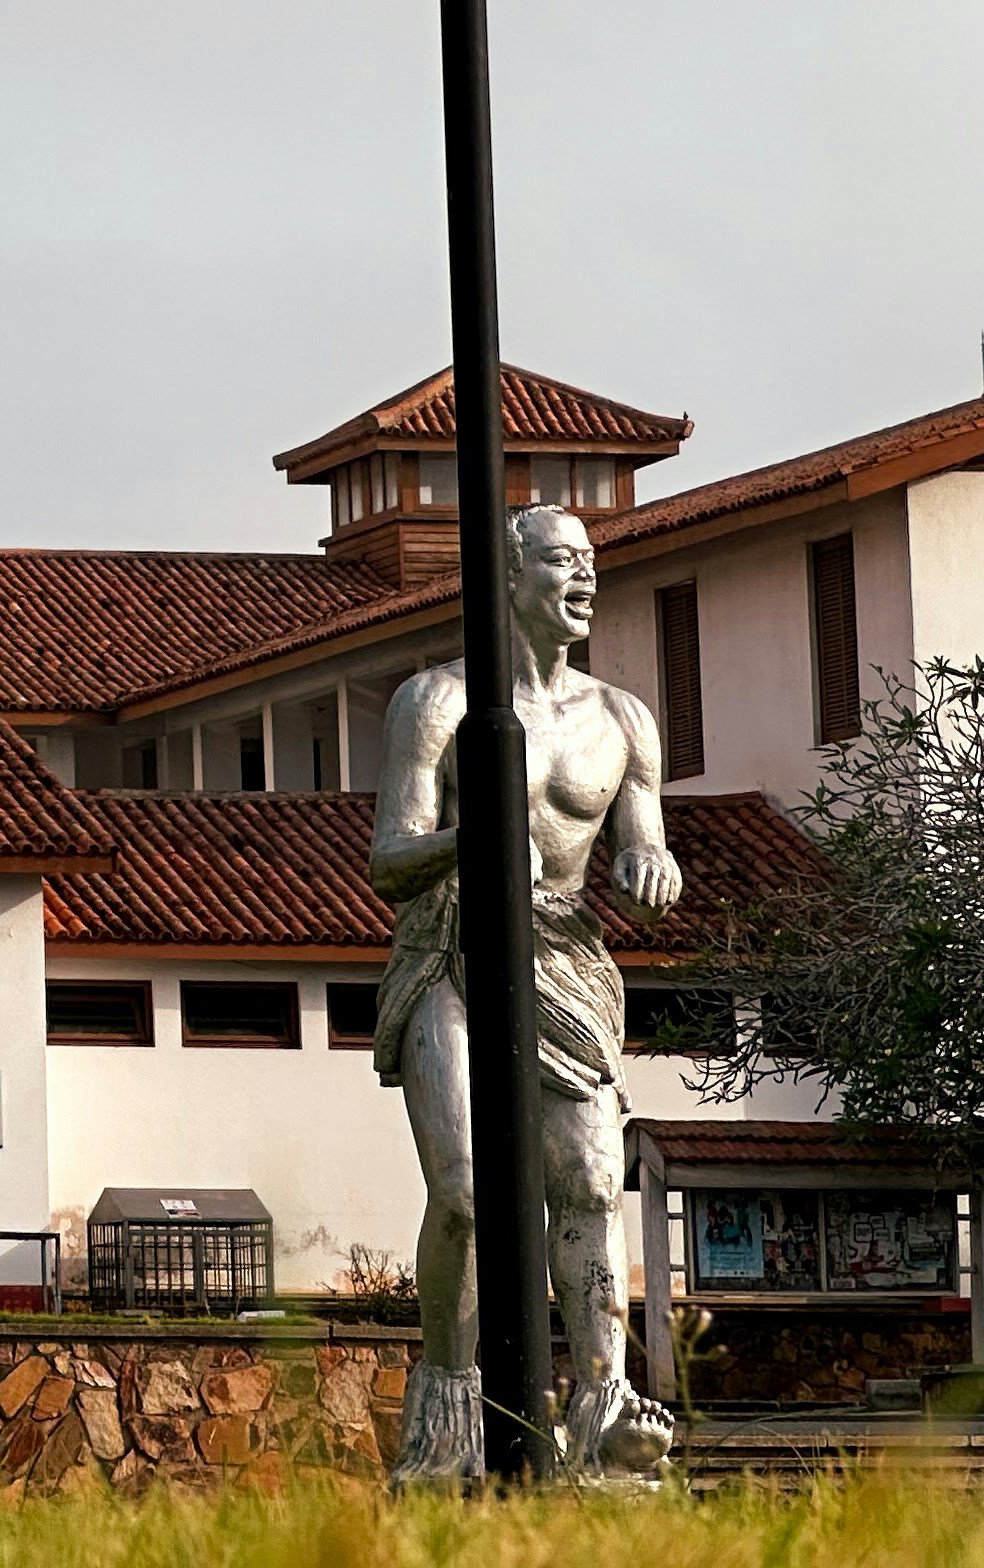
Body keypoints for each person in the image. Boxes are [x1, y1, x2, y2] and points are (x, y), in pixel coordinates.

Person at [370, 501, 683, 1482]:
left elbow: (648, 848)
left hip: (567, 968)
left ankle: (603, 1417)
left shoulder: (624, 720)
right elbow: (390, 857)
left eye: (590, 562)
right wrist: (476, 838)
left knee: (591, 1187)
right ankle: (450, 1420)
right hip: (452, 955)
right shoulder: (436, 703)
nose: (585, 579)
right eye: (561, 561)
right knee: (463, 1195)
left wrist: (653, 874)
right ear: (508, 580)